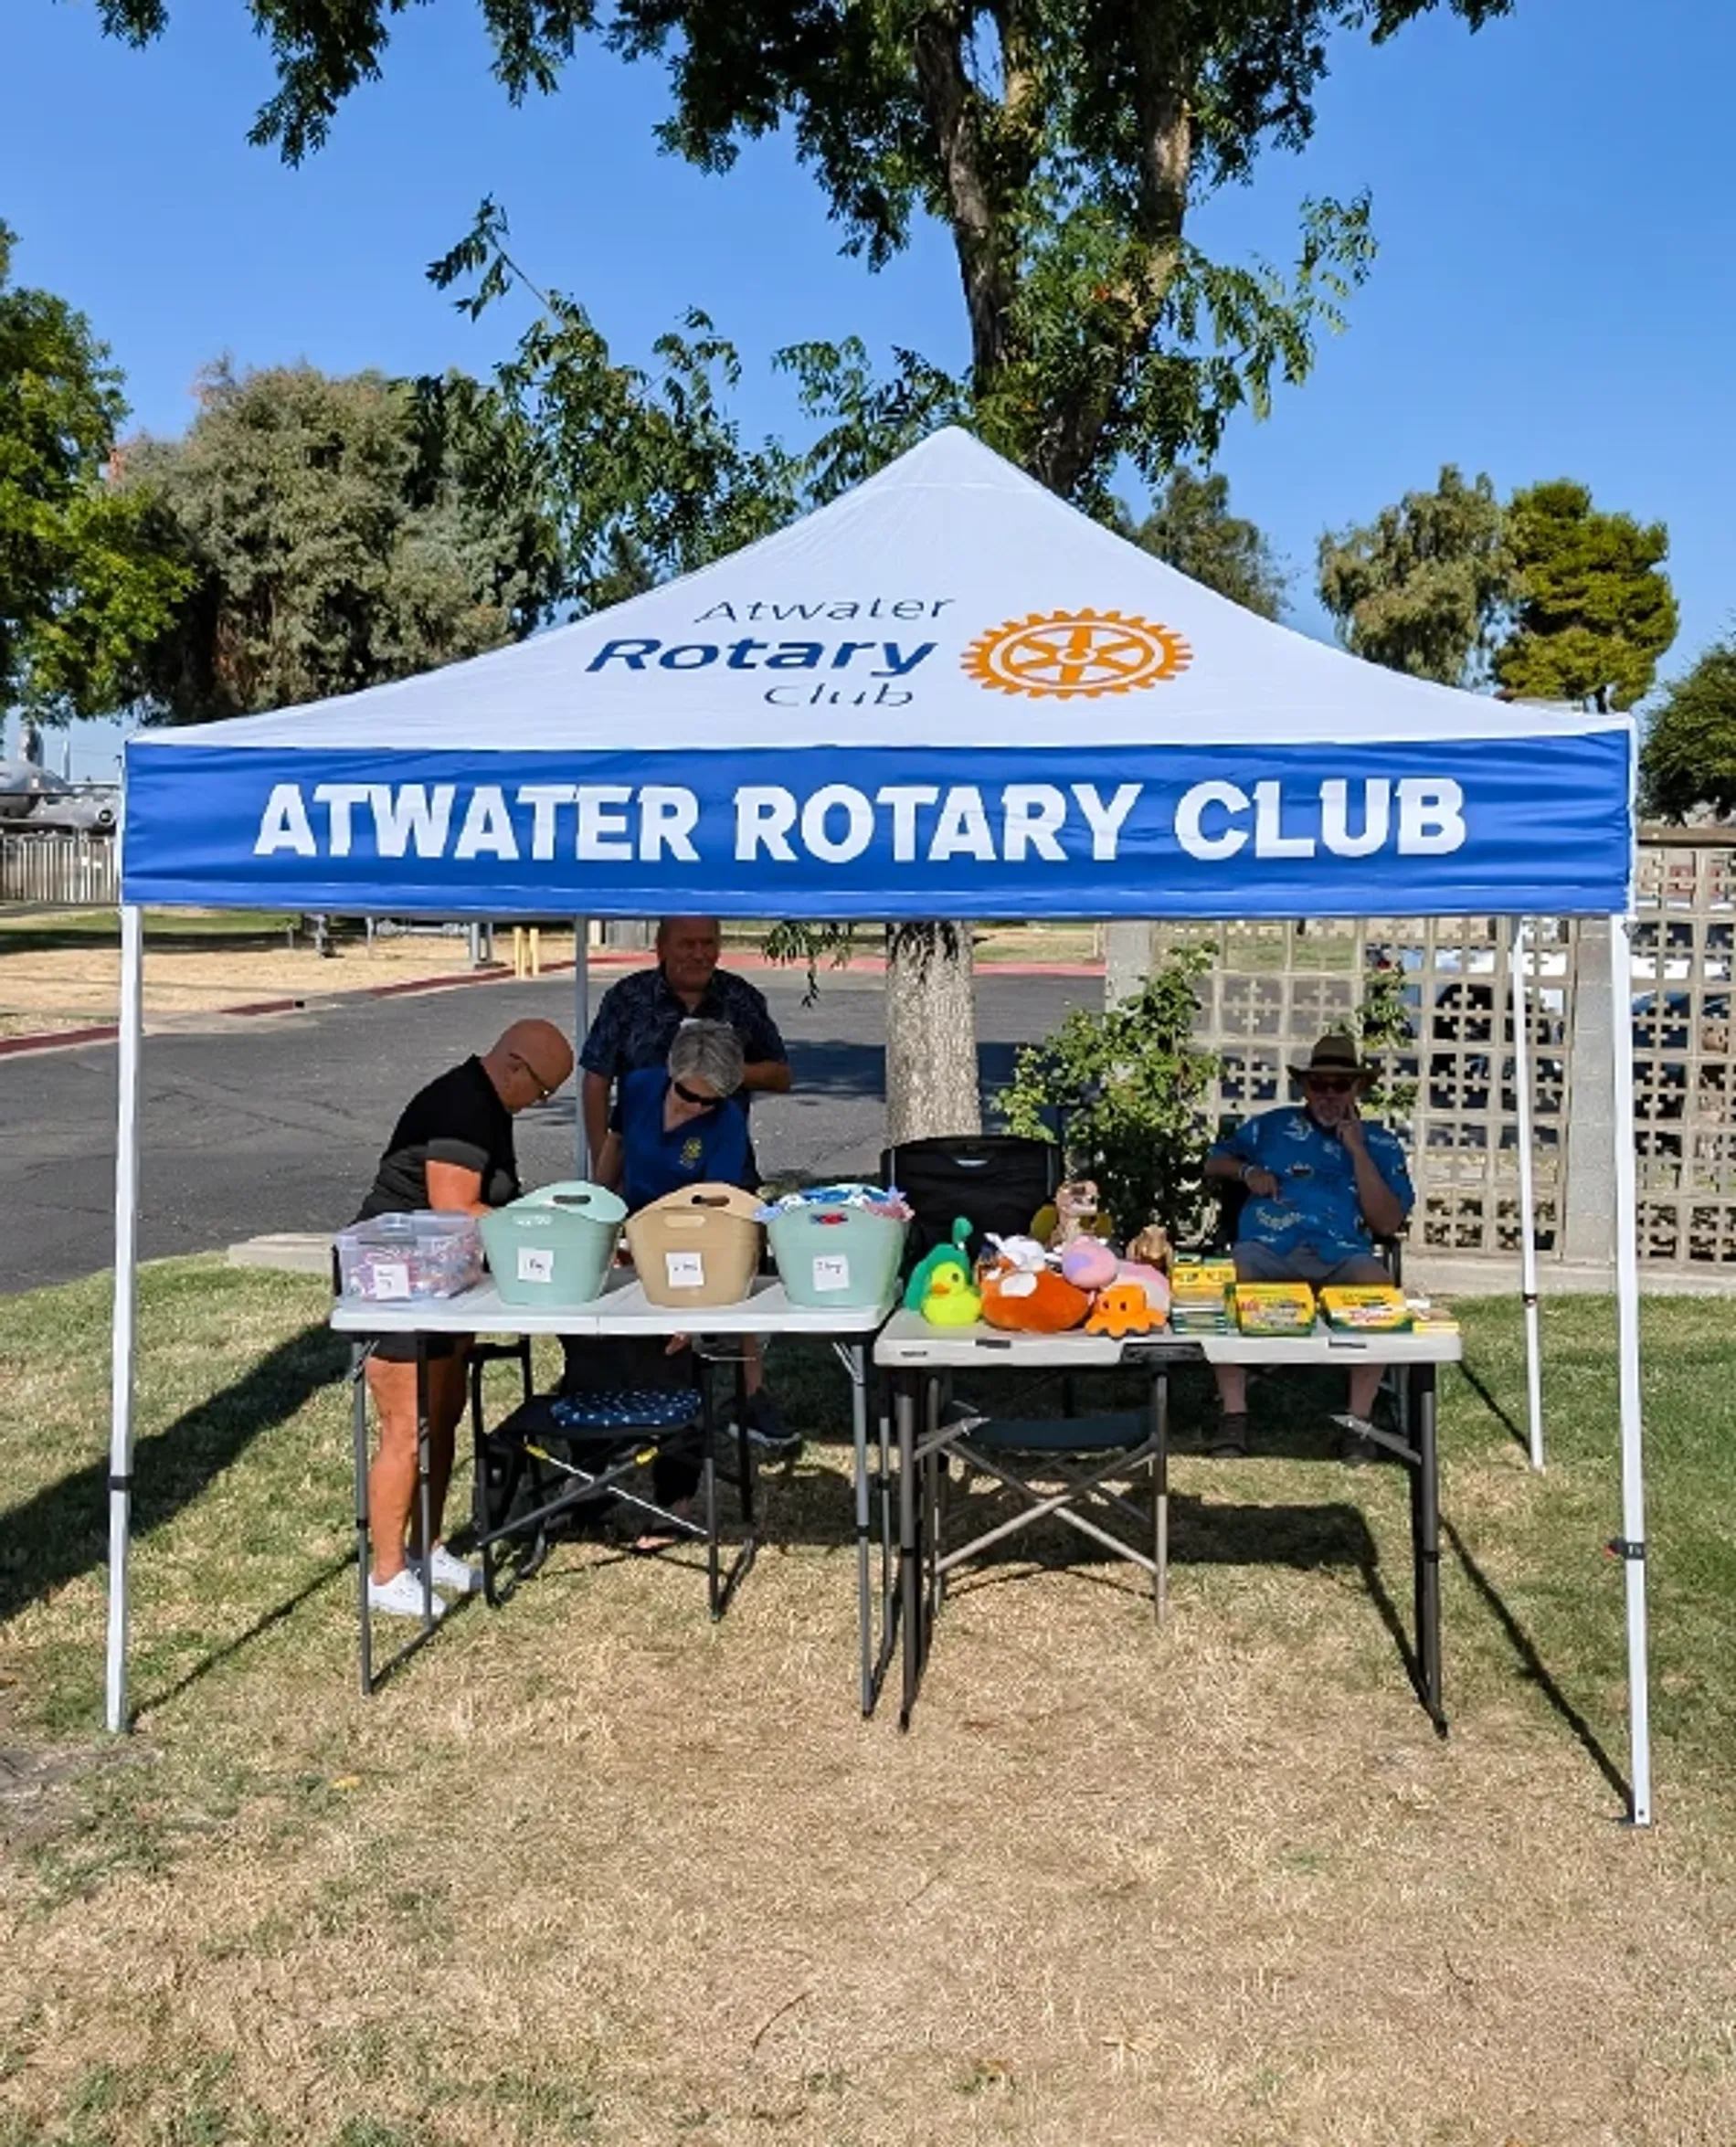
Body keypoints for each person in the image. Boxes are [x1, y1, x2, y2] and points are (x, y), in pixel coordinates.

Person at [351, 1018, 575, 1616]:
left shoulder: (488, 1102)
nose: (540, 1103)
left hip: (443, 1279)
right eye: (543, 1091)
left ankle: (427, 1549)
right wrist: (541, 1229)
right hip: (397, 1277)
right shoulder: (463, 1106)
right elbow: (455, 1209)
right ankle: (386, 1574)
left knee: (445, 1415)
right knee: (408, 1426)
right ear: (515, 1066)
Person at [581, 916, 796, 1452]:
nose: (700, 954)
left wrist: (724, 1073)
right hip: (643, 1188)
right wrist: (600, 1200)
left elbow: (706, 1218)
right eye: (688, 944)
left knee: (727, 1274)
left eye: (709, 944)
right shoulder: (632, 1030)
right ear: (661, 946)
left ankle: (746, 1398)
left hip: (709, 1194)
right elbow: (602, 1099)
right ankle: (614, 1395)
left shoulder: (724, 1106)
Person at [1202, 1032, 1413, 1460]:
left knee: (1378, 1288)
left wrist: (1357, 1152)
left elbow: (1388, 1222)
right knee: (1225, 1283)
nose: (1329, 1094)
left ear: (1358, 1088)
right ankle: (1234, 1415)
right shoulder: (1271, 1127)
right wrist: (1246, 1174)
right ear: (1305, 1087)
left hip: (1341, 1254)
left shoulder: (1381, 1144)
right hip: (1269, 1247)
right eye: (1319, 1084)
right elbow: (1212, 1160)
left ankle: (1357, 1424)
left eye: (1341, 1085)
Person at [586, 1020, 751, 1551]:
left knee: (679, 1366)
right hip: (632, 1239)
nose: (697, 1108)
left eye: (710, 1101)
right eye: (687, 1095)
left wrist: (690, 1309)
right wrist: (597, 1214)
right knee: (592, 1350)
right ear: (671, 1075)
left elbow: (717, 1214)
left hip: (689, 1249)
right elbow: (615, 1149)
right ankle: (589, 1483)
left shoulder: (726, 1124)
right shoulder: (639, 1087)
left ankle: (675, 1504)